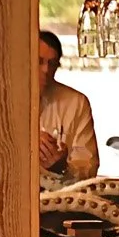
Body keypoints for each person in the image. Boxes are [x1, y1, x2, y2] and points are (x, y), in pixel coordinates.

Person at [37, 30, 99, 182]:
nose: (46, 70)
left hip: (60, 200)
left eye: (51, 64)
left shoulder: (76, 103)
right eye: (39, 61)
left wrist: (62, 166)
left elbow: (88, 169)